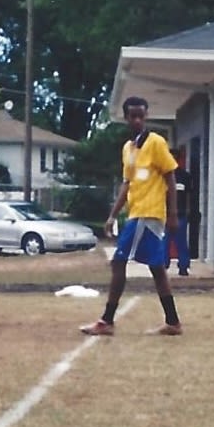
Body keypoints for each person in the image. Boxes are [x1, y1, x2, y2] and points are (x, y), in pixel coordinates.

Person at [80, 96, 183, 336]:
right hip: (137, 212)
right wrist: (112, 216)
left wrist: (174, 213)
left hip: (149, 213)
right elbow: (127, 184)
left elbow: (170, 176)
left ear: (146, 117)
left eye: (141, 116)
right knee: (157, 268)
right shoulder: (128, 149)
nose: (137, 120)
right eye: (133, 116)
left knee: (118, 261)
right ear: (126, 118)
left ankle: (106, 320)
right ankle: (173, 322)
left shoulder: (156, 142)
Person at [171, 146, 192, 277]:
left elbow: (189, 195)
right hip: (165, 214)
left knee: (181, 241)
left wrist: (188, 210)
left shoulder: (185, 176)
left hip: (181, 214)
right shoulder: (163, 175)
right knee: (164, 241)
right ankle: (162, 266)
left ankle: (183, 266)